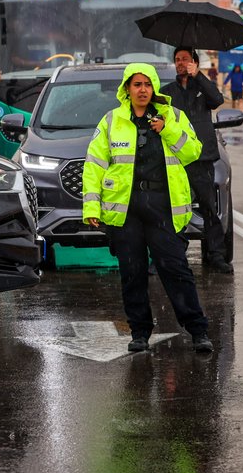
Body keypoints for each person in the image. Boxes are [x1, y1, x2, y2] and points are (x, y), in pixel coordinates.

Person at [83, 63, 214, 355]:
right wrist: (92, 205)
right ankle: (139, 332)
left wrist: (167, 130)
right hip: (127, 209)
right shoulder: (111, 121)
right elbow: (94, 164)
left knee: (175, 268)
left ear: (154, 87)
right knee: (132, 272)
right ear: (127, 89)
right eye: (136, 84)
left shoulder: (174, 116)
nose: (142, 90)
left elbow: (193, 152)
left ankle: (198, 330)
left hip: (162, 206)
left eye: (147, 84)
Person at [164, 46, 232, 275]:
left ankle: (216, 256)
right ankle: (174, 256)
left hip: (203, 159)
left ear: (194, 62)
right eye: (177, 59)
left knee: (209, 209)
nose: (181, 63)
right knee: (173, 210)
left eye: (185, 59)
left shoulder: (203, 89)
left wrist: (199, 76)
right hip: (176, 160)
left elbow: (217, 99)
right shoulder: (167, 92)